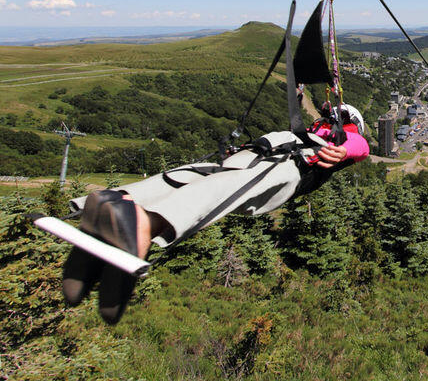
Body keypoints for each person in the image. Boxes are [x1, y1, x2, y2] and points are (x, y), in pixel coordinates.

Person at [62, 103, 369, 324]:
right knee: (223, 193)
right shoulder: (341, 136)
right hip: (293, 163)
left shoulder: (318, 128)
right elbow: (360, 146)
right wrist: (343, 150)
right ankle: (144, 223)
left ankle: (118, 200)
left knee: (198, 175)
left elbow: (354, 144)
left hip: (265, 147)